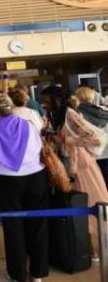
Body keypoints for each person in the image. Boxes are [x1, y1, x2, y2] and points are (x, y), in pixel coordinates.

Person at [0, 93, 48, 282]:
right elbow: (39, 149)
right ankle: (38, 274)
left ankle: (17, 274)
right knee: (38, 224)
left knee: (13, 227)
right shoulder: (28, 125)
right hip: (36, 177)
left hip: (9, 181)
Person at [64, 93, 108, 260]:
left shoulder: (71, 115)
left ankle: (94, 248)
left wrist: (69, 140)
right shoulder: (67, 115)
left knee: (93, 203)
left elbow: (96, 139)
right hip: (76, 166)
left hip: (83, 166)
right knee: (85, 206)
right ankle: (90, 248)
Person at [75, 87, 108, 187]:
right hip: (106, 151)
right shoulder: (104, 111)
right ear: (93, 97)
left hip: (90, 154)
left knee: (97, 184)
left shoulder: (76, 114)